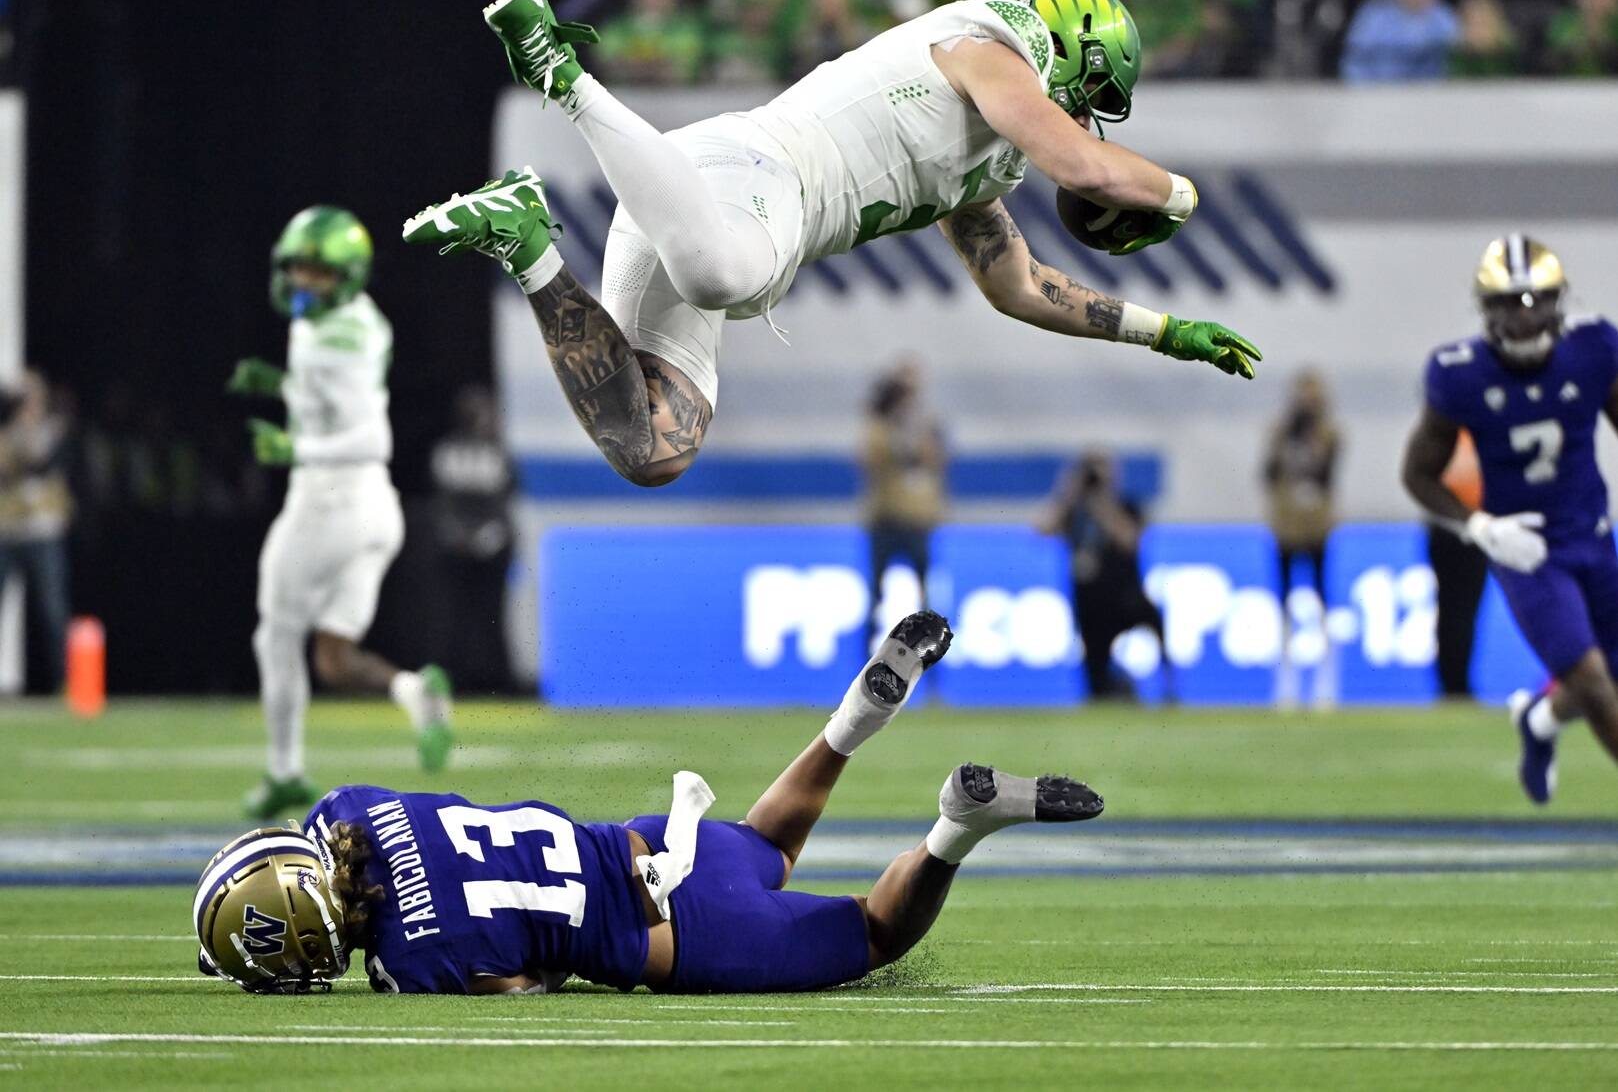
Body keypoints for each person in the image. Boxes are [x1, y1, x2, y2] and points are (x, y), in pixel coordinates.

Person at [403, 0, 1261, 489]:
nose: (1084, 114)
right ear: (1075, 48)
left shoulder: (988, 159)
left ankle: (527, 243)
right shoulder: (990, 45)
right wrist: (1180, 195)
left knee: (653, 446)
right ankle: (563, 78)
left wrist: (1165, 332)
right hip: (742, 182)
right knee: (722, 276)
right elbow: (1088, 168)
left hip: (682, 197)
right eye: (1091, 92)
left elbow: (1020, 286)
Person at [192, 611, 1105, 996]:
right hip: (635, 839)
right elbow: (333, 838)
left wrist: (541, 968)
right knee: (763, 845)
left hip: (665, 931)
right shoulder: (352, 808)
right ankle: (851, 721)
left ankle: (957, 825)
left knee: (873, 933)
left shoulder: (406, 962)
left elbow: (517, 987)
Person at [229, 206, 454, 820]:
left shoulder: (333, 339)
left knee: (275, 634)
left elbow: (372, 436)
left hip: (331, 501)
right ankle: (415, 692)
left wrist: (295, 448)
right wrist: (281, 386)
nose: (302, 281)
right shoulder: (350, 319)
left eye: (318, 272)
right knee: (332, 658)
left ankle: (284, 771)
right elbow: (333, 401)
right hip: (375, 508)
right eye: (297, 268)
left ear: (347, 274)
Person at [1401, 234, 1618, 804]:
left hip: (1593, 536)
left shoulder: (1594, 348)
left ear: (1558, 300)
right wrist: (1480, 528)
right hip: (1525, 550)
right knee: (1592, 680)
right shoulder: (1460, 373)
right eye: (1508, 303)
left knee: (1603, 681)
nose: (1524, 317)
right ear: (1485, 309)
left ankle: (1540, 720)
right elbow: (1418, 474)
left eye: (1536, 300)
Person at [1040, 451, 1169, 701]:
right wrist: (1066, 494)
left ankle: (1168, 686)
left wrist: (1103, 505)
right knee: (1095, 677)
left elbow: (1130, 540)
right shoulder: (1073, 510)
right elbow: (1041, 529)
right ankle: (1116, 689)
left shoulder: (1127, 506)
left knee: (1155, 626)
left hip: (1126, 598)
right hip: (1090, 604)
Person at [427, 385, 517, 694]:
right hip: (455, 548)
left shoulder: (497, 452)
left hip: (492, 546)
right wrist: (459, 537)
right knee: (453, 617)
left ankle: (498, 681)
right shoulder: (447, 451)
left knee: (492, 615)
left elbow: (503, 504)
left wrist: (487, 538)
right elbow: (444, 504)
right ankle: (454, 680)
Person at [1263, 368, 1341, 707]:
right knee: (1284, 600)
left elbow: (1325, 475)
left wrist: (1312, 437)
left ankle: (1326, 679)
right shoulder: (1279, 433)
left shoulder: (1329, 434)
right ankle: (1286, 679)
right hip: (1286, 525)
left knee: (1321, 597)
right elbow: (1267, 473)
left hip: (1316, 526)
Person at [861, 362, 946, 642]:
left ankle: (927, 654)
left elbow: (935, 463)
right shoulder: (879, 429)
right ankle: (870, 653)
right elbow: (869, 462)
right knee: (877, 592)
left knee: (924, 594)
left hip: (917, 521)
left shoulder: (925, 427)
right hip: (886, 520)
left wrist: (914, 432)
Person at [0, 370, 73, 692]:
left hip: (43, 532)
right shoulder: (6, 434)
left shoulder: (53, 430)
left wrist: (31, 425)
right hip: (8, 531)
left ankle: (65, 681)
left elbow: (39, 460)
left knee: (53, 608)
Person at [1426, 430, 1488, 699]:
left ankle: (1457, 681)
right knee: (1453, 610)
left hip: (1476, 531)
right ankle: (1451, 682)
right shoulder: (1444, 435)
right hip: (1450, 531)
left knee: (1464, 612)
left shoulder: (1476, 433)